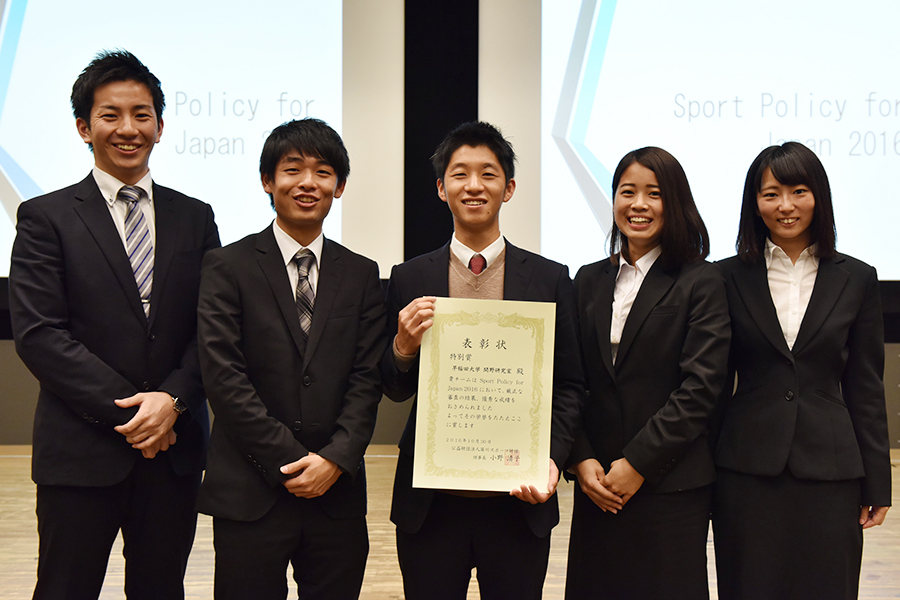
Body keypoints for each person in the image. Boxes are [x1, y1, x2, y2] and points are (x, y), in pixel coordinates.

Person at [8, 50, 220, 599]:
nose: (128, 128)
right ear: (84, 127)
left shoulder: (196, 216)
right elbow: (40, 335)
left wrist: (171, 401)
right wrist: (141, 412)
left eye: (142, 114)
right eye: (110, 114)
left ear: (160, 125)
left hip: (173, 453)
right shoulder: (45, 217)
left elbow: (214, 329)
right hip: (81, 451)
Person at [381, 121, 584, 600]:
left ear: (508, 188)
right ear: (440, 187)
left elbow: (572, 385)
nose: (474, 186)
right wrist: (402, 348)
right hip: (431, 506)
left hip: (517, 504)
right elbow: (392, 386)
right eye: (460, 174)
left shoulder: (552, 279)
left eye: (488, 174)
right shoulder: (409, 277)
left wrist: (551, 459)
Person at [196, 117, 387, 600]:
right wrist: (293, 460)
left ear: (339, 186)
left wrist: (334, 460)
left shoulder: (362, 274)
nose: (308, 183)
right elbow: (224, 378)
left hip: (336, 494)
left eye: (323, 172)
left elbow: (367, 379)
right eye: (293, 169)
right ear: (268, 181)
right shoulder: (227, 266)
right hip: (249, 489)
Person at [712, 141, 892, 600]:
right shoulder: (724, 276)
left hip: (831, 470)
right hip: (746, 469)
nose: (785, 206)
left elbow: (866, 386)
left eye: (799, 191)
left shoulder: (858, 277)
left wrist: (879, 481)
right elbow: (711, 385)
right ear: (754, 203)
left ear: (820, 197)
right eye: (771, 194)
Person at [565, 147, 730, 599]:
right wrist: (582, 461)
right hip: (597, 484)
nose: (638, 204)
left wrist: (637, 464)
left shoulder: (701, 281)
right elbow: (570, 380)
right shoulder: (588, 280)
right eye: (627, 192)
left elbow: (700, 388)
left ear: (674, 203)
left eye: (653, 194)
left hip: (670, 486)